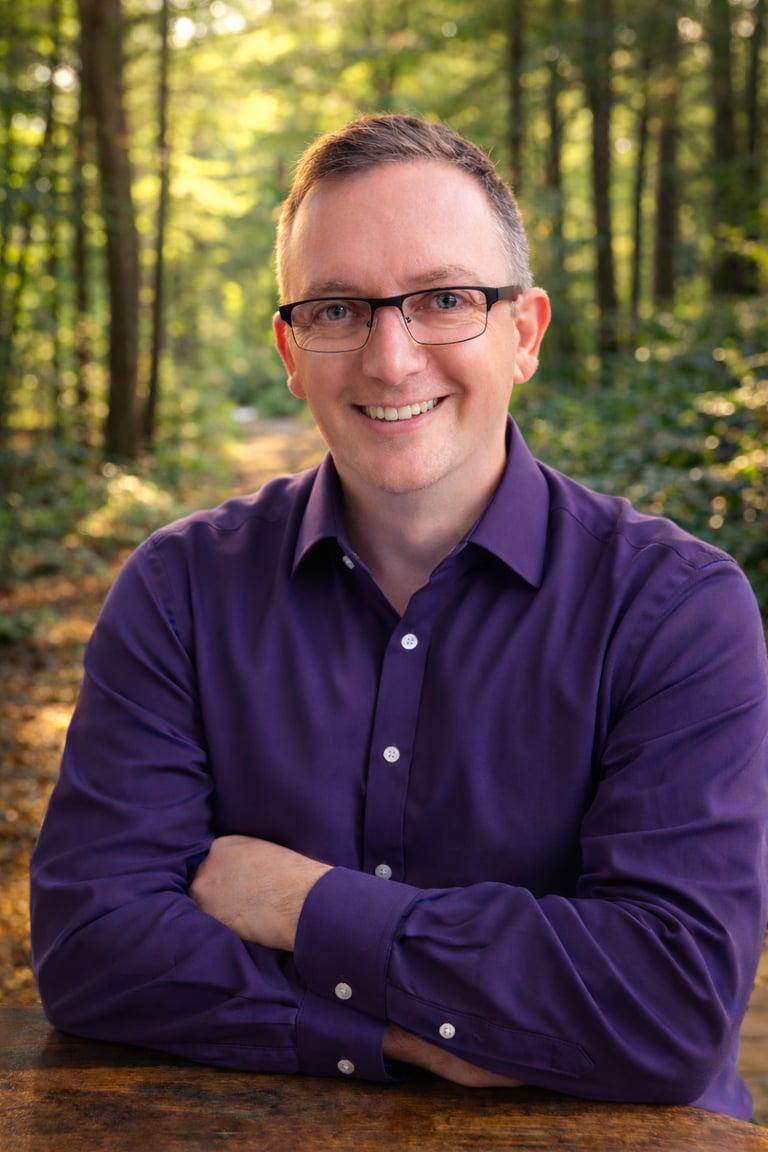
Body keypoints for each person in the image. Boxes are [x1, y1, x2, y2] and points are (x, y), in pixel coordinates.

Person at [30, 113, 768, 1120]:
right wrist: (394, 1037)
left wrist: (301, 905)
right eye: (337, 309)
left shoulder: (676, 610)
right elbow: (91, 947)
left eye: (445, 300)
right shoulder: (179, 591)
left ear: (524, 333)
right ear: (292, 351)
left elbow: (667, 1009)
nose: (390, 358)